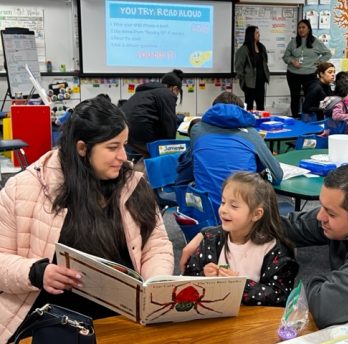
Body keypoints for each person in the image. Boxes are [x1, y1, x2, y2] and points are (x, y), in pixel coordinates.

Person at [180, 164, 348, 340]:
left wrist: (310, 274)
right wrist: (214, 232)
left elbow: (327, 309)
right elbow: (282, 225)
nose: (320, 217)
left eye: (330, 213)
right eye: (321, 206)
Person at [0, 96, 174, 343]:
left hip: (122, 316)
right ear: (82, 148)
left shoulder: (134, 185)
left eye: (125, 145)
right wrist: (37, 273)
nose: (123, 157)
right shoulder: (25, 189)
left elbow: (156, 245)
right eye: (112, 147)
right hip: (50, 319)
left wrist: (154, 285)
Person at [183, 171, 298, 307]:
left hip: (253, 321)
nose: (223, 210)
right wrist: (204, 276)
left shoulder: (274, 249)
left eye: (234, 206)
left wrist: (240, 285)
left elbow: (280, 296)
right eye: (223, 202)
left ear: (256, 214)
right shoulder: (211, 240)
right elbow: (187, 279)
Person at [178, 91, 283, 215]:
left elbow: (187, 166)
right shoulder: (252, 134)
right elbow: (276, 176)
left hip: (206, 212)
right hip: (243, 216)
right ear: (241, 111)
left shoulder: (197, 130)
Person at [121, 69, 184, 157]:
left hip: (124, 133)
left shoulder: (144, 92)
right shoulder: (167, 93)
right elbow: (169, 126)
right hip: (140, 133)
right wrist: (170, 151)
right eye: (178, 93)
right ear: (175, 88)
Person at [282, 19, 332, 119]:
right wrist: (292, 61)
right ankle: (295, 118)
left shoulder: (316, 42)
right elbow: (285, 57)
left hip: (309, 75)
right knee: (294, 97)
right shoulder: (293, 42)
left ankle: (308, 118)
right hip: (293, 74)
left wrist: (318, 62)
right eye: (299, 28)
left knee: (310, 97)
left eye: (303, 27)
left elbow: (328, 54)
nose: (301, 30)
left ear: (308, 29)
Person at [235, 25, 270, 111]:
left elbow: (265, 62)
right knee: (249, 107)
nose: (259, 34)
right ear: (251, 35)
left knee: (261, 106)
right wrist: (243, 82)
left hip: (261, 82)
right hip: (249, 83)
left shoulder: (262, 47)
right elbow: (239, 67)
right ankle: (249, 123)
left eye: (259, 32)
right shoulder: (243, 50)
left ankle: (260, 122)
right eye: (257, 32)